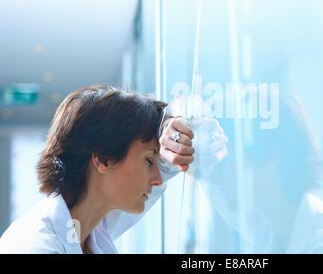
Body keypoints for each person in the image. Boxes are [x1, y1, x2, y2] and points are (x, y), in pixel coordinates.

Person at [0, 85, 227, 254]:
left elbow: (191, 113)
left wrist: (169, 124)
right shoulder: (35, 246)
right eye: (149, 161)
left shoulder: (89, 228)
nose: (158, 179)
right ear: (103, 159)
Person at [195, 90, 323, 253]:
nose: (215, 176)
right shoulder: (272, 223)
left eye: (224, 161)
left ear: (269, 157)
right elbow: (200, 170)